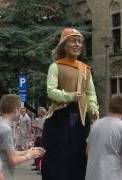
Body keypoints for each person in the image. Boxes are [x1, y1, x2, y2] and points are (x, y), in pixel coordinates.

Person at [41, 28, 99, 180]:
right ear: (64, 45)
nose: (78, 44)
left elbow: (90, 93)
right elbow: (51, 91)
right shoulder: (55, 66)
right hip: (59, 118)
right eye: (73, 41)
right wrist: (70, 96)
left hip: (80, 117)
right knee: (57, 156)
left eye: (80, 41)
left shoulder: (85, 69)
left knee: (78, 156)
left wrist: (93, 108)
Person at [0, 94, 45, 178]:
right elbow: (13, 160)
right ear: (15, 110)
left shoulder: (0, 124)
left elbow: (9, 153)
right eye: (20, 109)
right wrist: (30, 155)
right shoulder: (6, 130)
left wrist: (28, 151)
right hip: (4, 174)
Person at [85, 95, 122, 180]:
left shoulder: (95, 125)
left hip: (91, 176)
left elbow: (88, 151)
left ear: (108, 107)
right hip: (111, 176)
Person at [32, 107, 47, 172]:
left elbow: (44, 129)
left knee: (41, 152)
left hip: (42, 137)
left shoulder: (45, 119)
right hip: (38, 136)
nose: (37, 112)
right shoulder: (39, 119)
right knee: (36, 151)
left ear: (42, 112)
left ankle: (40, 167)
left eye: (39, 111)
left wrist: (37, 127)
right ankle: (37, 165)